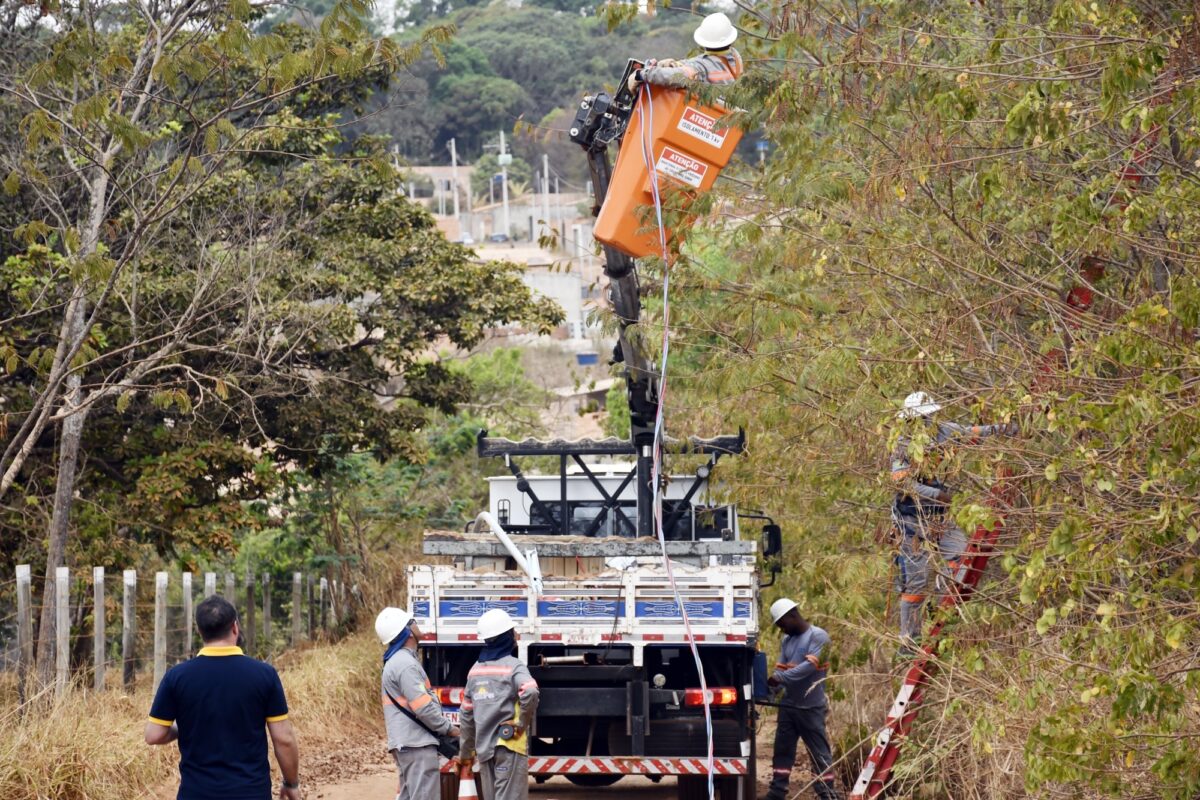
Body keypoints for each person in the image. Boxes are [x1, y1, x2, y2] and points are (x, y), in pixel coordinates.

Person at [891, 391, 1018, 652]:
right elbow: (902, 482)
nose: (926, 423)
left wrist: (1006, 429)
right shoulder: (902, 445)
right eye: (921, 419)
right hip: (911, 522)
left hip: (940, 517)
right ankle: (909, 641)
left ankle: (944, 618)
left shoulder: (944, 431)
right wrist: (937, 494)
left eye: (929, 418)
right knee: (916, 582)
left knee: (962, 559)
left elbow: (974, 432)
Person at [145, 595, 300, 800]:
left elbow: (153, 735)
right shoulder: (264, 674)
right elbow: (284, 739)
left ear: (199, 631)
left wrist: (183, 727)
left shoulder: (177, 677)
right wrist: (291, 783)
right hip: (251, 793)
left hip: (197, 794)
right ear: (235, 627)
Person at [377, 606, 459, 800]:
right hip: (416, 746)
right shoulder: (405, 664)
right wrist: (449, 729)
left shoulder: (397, 662)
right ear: (407, 631)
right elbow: (423, 708)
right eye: (412, 622)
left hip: (408, 743)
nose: (416, 624)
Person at [458, 609, 539, 800]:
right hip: (509, 747)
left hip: (485, 751)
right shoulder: (513, 666)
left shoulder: (474, 671)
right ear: (506, 637)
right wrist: (521, 724)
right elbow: (530, 690)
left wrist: (466, 754)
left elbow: (466, 716)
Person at [765, 599, 840, 800]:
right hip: (788, 707)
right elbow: (781, 668)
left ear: (792, 615)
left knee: (819, 754)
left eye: (782, 624)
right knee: (782, 751)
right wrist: (772, 688)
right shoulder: (787, 641)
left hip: (810, 707)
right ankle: (777, 792)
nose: (782, 629)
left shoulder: (818, 636)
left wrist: (780, 678)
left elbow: (809, 668)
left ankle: (827, 794)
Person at [626, 12, 743, 93]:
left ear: (703, 41)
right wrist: (676, 64)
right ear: (730, 39)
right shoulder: (735, 58)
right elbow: (699, 65)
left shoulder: (702, 68)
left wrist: (641, 74)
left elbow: (676, 76)